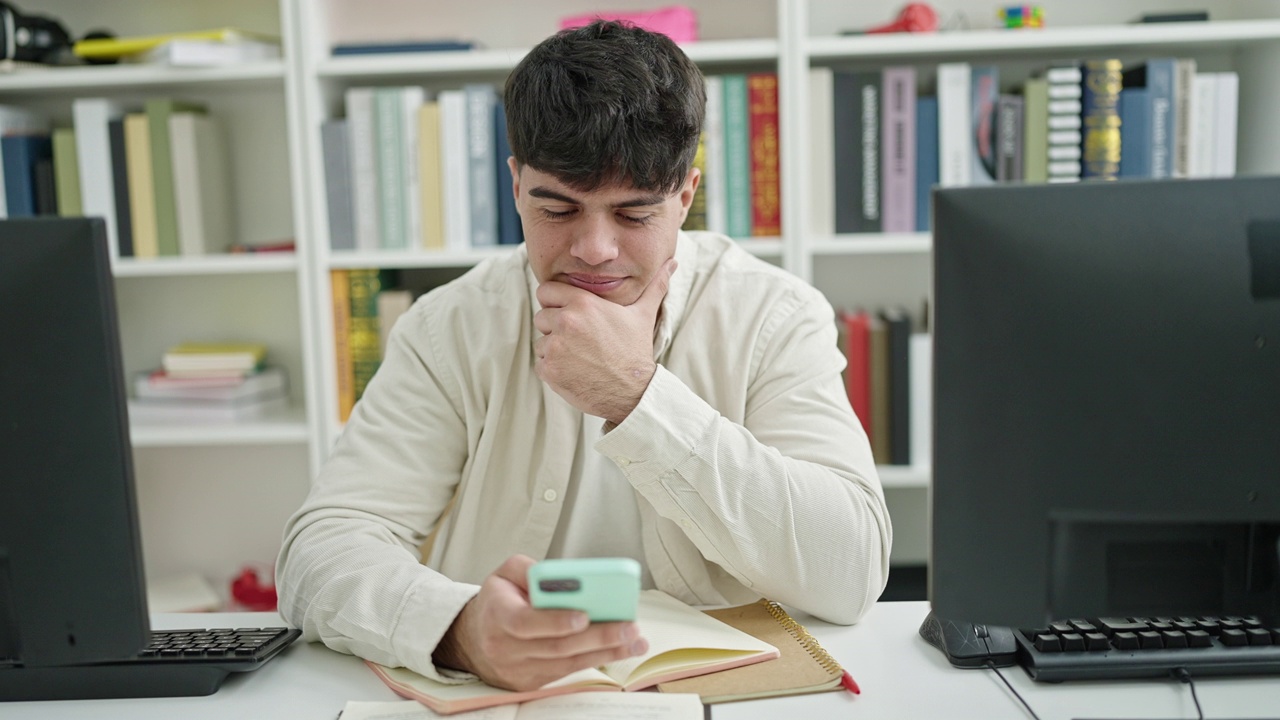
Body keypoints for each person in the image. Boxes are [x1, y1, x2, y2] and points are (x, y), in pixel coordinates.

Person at [276, 20, 891, 693]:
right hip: (503, 702)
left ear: (686, 195)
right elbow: (320, 552)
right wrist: (456, 630)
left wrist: (637, 394)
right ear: (515, 186)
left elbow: (851, 571)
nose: (594, 249)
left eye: (633, 214)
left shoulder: (774, 315)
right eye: (558, 209)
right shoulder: (449, 326)